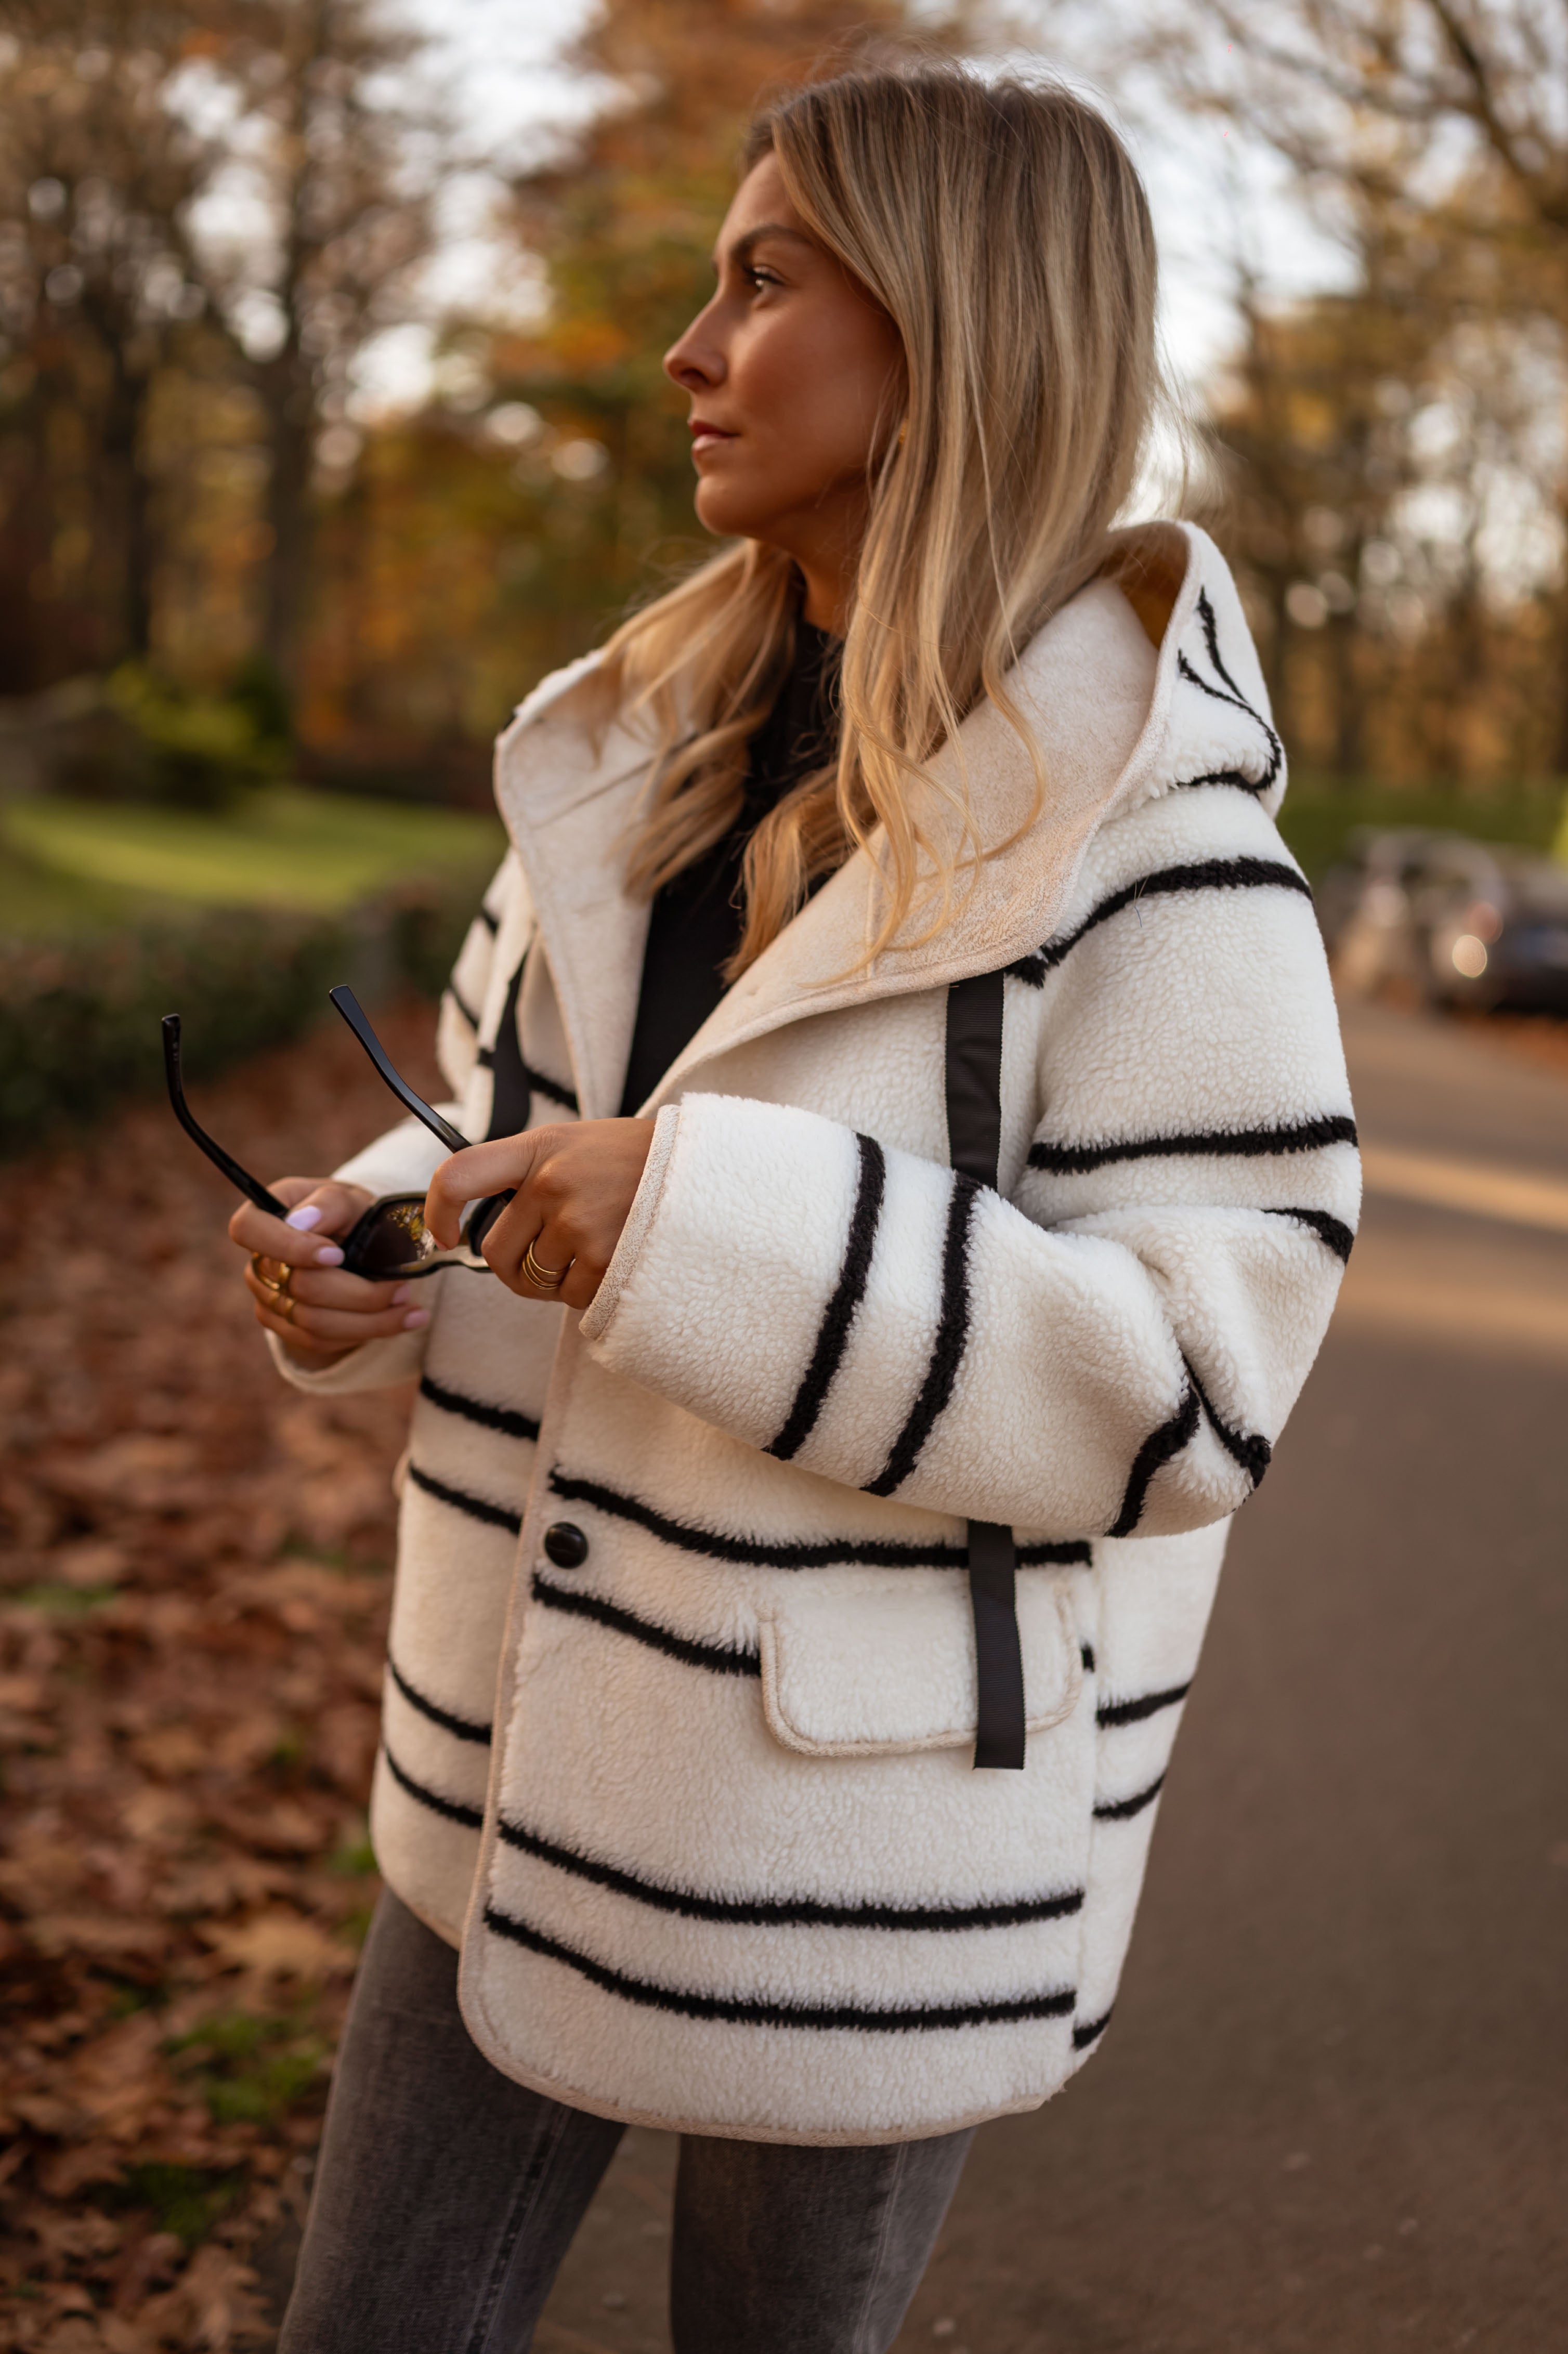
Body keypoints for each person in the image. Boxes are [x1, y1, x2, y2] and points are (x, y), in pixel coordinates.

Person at [231, 61, 1359, 2354]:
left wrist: (698, 1226)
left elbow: (1190, 1387)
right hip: (502, 1770)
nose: (687, 344)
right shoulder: (628, 742)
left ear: (948, 324)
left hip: (862, 1843)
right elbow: (501, 1110)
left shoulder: (1155, 822)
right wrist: (371, 1237)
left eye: (762, 281)